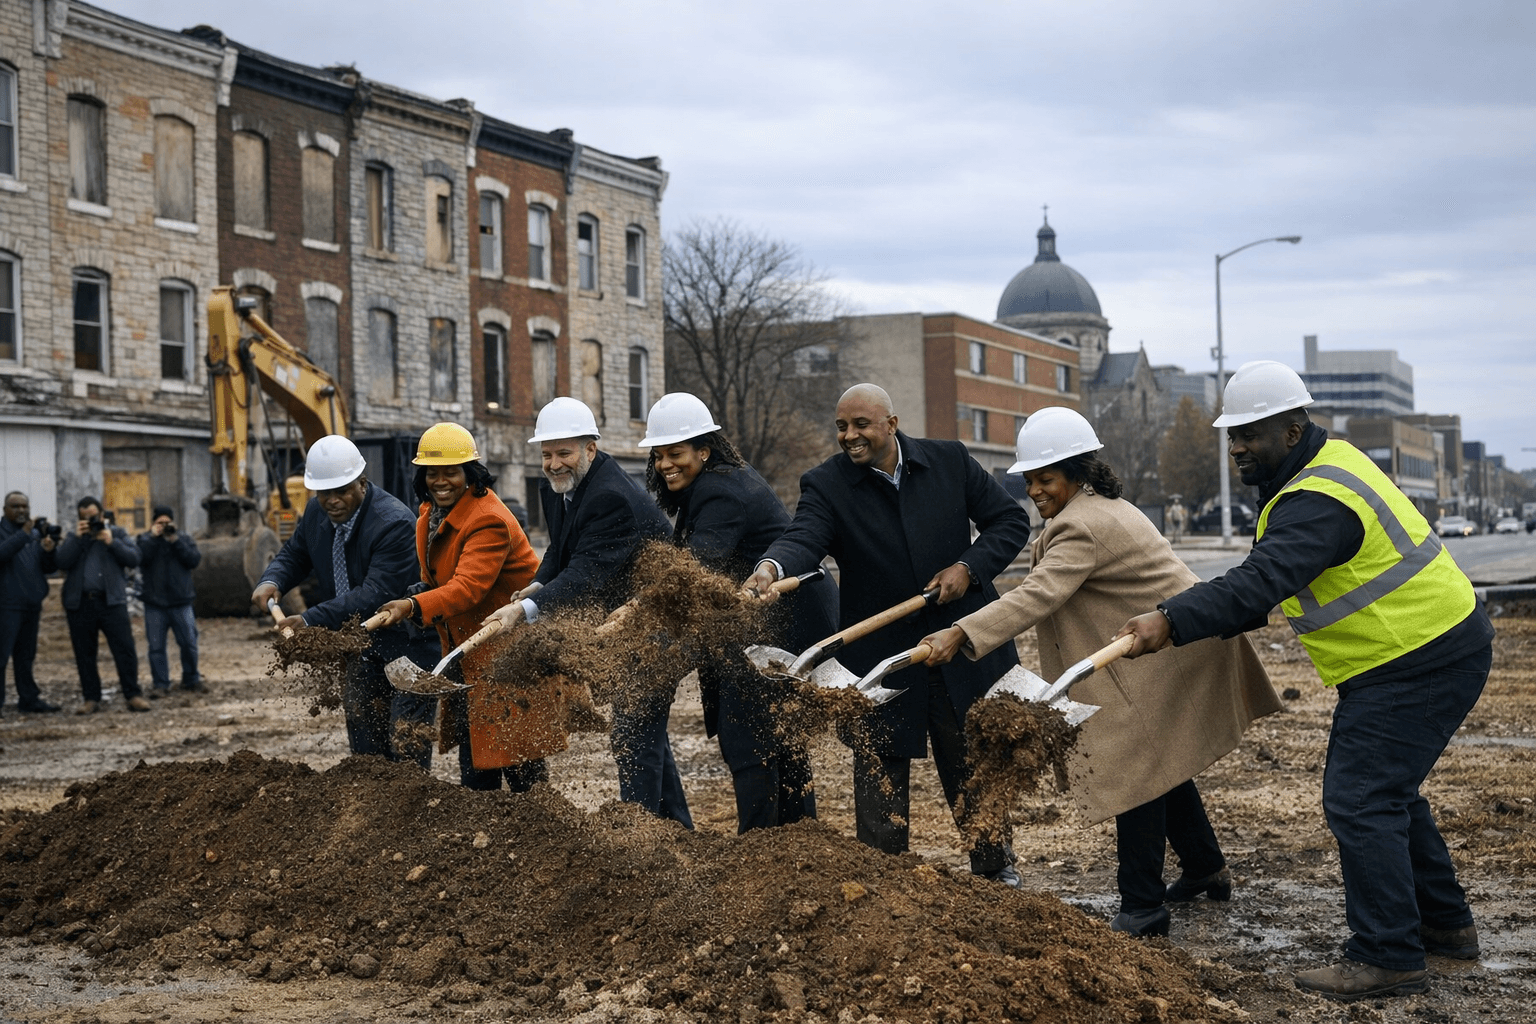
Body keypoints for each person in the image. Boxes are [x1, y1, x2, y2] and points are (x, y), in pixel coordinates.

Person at [1115, 361, 1494, 1001]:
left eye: (1251, 434)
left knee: (1362, 799)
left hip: (1415, 658)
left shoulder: (1319, 499)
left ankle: (1388, 954)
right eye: (1232, 434)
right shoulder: (1320, 471)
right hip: (1418, 650)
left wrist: (1169, 620)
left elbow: (1262, 582)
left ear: (1293, 430)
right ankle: (1445, 927)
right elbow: (1269, 578)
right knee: (1390, 795)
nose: (1236, 447)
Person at [919, 409, 1280, 935]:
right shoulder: (1095, 509)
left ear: (1077, 472)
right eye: (1029, 480)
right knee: (1161, 763)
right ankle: (1205, 869)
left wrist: (962, 632)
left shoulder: (1082, 525)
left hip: (1168, 650)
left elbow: (1037, 594)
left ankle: (1142, 907)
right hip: (1168, 649)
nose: (1035, 490)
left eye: (1046, 479)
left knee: (1136, 773)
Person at [745, 383, 1033, 884]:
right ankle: (883, 878)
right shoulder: (827, 484)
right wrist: (770, 568)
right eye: (841, 426)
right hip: (881, 654)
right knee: (879, 767)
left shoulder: (949, 461)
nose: (849, 436)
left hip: (958, 641)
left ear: (891, 425)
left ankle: (994, 866)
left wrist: (968, 567)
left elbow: (1009, 521)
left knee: (969, 759)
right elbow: (804, 536)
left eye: (861, 425)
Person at [639, 393, 840, 832]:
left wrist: (651, 636)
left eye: (676, 454)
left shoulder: (721, 492)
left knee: (746, 733)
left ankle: (760, 846)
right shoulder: (714, 482)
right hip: (764, 618)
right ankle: (800, 837)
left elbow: (694, 572)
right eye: (659, 456)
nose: (665, 465)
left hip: (781, 619)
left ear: (704, 451)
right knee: (779, 735)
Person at [484, 397, 689, 826]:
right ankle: (675, 828)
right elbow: (561, 551)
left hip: (653, 623)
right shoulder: (561, 487)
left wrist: (525, 609)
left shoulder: (610, 496)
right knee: (643, 732)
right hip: (623, 622)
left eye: (564, 453)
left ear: (590, 449)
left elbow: (586, 574)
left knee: (633, 735)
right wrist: (537, 584)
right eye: (546, 454)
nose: (553, 463)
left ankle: (639, 834)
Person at [376, 422, 565, 792]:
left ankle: (543, 841)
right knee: (478, 769)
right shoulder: (430, 515)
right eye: (432, 472)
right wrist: (420, 592)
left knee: (521, 767)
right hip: (469, 655)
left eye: (451, 472)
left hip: (509, 657)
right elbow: (442, 578)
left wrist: (414, 605)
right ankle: (486, 844)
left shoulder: (488, 519)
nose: (440, 480)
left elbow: (467, 588)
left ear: (470, 474)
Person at [252, 435, 440, 768]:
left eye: (342, 491)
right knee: (366, 749)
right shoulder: (314, 512)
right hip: (358, 643)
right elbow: (296, 553)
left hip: (408, 647)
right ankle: (372, 816)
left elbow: (375, 594)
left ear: (362, 484)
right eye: (324, 493)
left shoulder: (393, 523)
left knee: (406, 748)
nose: (332, 501)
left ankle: (411, 815)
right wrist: (272, 580)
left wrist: (309, 619)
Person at [55, 496, 145, 714]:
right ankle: (91, 698)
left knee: (124, 650)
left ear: (102, 514)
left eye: (93, 516)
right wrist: (77, 539)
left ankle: (133, 695)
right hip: (80, 603)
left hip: (111, 602)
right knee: (84, 653)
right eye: (84, 517)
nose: (90, 521)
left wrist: (111, 541)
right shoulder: (73, 537)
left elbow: (134, 558)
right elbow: (60, 562)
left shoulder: (117, 533)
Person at [1, 491, 62, 715]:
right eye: (15, 506)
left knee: (26, 656)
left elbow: (48, 568)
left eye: (24, 506)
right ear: (5, 510)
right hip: (6, 605)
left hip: (31, 604)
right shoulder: (6, 532)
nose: (21, 511)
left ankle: (28, 699)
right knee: (1, 656)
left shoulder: (36, 534)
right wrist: (24, 534)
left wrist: (48, 551)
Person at [137, 505, 204, 697]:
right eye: (160, 523)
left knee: (189, 644)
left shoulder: (183, 538)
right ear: (153, 523)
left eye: (168, 523)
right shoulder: (145, 539)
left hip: (181, 602)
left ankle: (191, 679)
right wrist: (153, 537)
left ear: (174, 523)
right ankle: (160, 684)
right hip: (154, 603)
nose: (165, 527)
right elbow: (140, 558)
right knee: (156, 648)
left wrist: (175, 541)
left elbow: (194, 560)